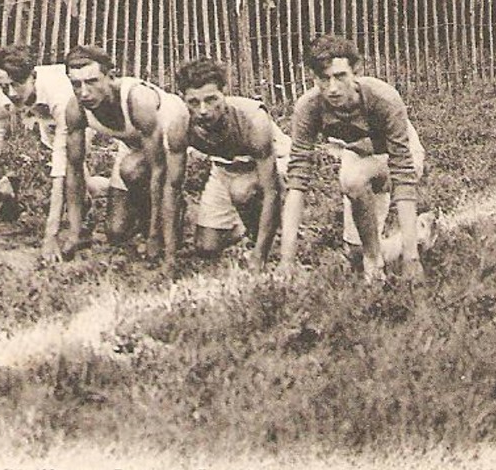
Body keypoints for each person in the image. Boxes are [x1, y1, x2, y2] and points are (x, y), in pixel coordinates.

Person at [280, 33, 427, 283]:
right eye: (324, 79)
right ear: (314, 78)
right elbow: (297, 182)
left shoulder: (384, 98)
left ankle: (376, 261)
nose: (333, 88)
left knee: (352, 179)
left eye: (340, 76)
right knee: (354, 255)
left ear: (356, 71)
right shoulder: (309, 107)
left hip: (399, 151)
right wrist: (286, 260)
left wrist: (412, 261)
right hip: (360, 151)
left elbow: (403, 173)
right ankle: (416, 235)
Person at [0, 44, 104, 262]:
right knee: (83, 184)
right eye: (5, 86)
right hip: (46, 117)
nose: (11, 93)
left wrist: (50, 235)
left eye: (17, 84)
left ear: (33, 76)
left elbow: (60, 168)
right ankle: (99, 193)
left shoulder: (59, 92)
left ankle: (81, 218)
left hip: (84, 114)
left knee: (70, 167)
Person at [60, 45, 189, 272]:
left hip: (171, 140)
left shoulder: (137, 99)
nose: (84, 92)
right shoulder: (76, 108)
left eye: (92, 81)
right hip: (133, 145)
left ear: (110, 77)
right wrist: (74, 233)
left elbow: (158, 168)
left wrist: (153, 236)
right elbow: (74, 167)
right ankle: (145, 216)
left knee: (132, 170)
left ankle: (170, 215)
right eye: (76, 84)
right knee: (116, 231)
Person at [174, 58, 290, 271]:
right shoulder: (181, 122)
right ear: (184, 99)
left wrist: (259, 256)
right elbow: (173, 184)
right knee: (206, 246)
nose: (203, 110)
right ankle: (242, 226)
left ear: (224, 92)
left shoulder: (252, 118)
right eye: (193, 102)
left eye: (211, 99)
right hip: (226, 167)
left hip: (275, 162)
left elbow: (271, 188)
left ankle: (264, 241)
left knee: (242, 190)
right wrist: (169, 257)